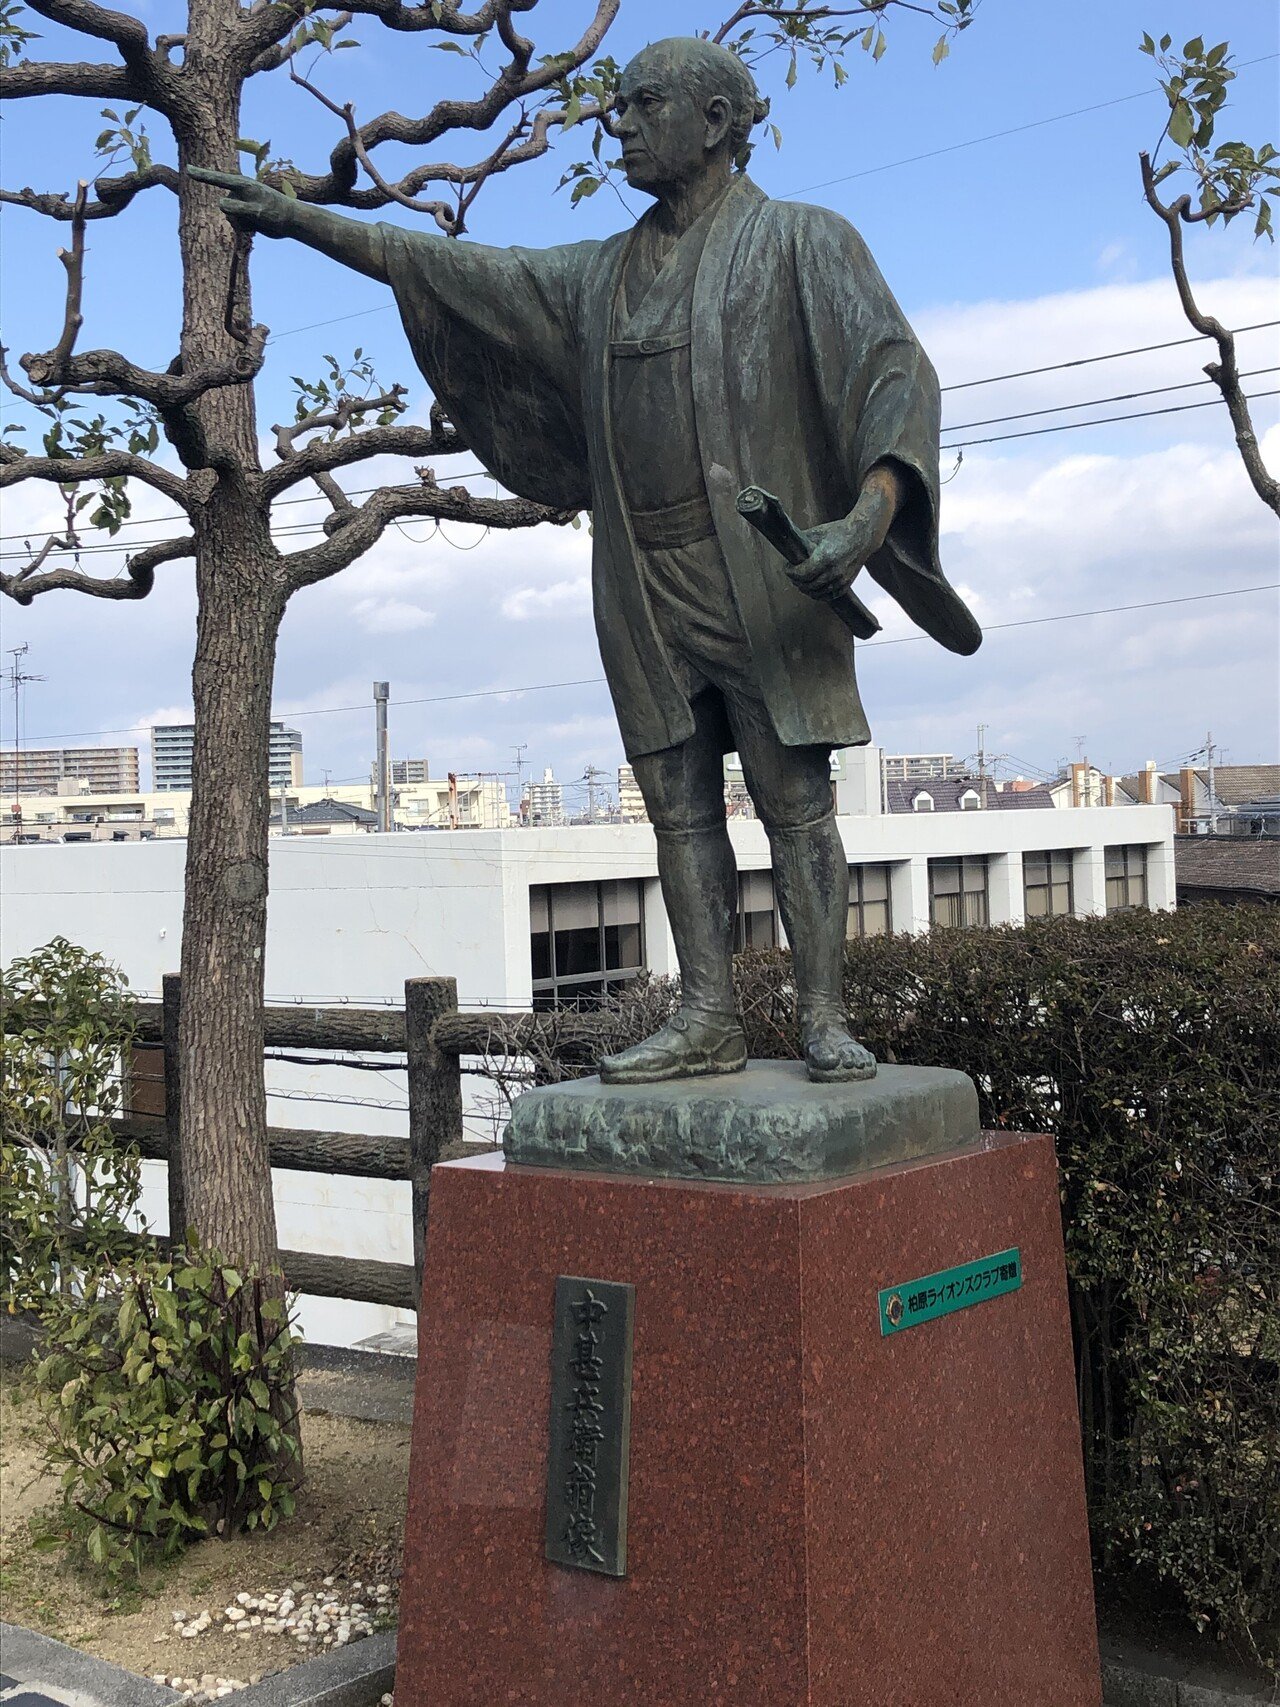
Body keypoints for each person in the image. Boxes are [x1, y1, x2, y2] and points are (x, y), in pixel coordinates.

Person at [193, 35, 981, 1086]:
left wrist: (865, 518)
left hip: (762, 573)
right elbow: (448, 266)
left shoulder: (802, 244)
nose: (617, 123)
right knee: (677, 803)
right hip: (640, 577)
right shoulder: (598, 275)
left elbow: (893, 377)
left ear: (712, 121)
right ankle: (706, 1012)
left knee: (796, 800)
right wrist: (301, 223)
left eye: (640, 103)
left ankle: (824, 1016)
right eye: (618, 106)